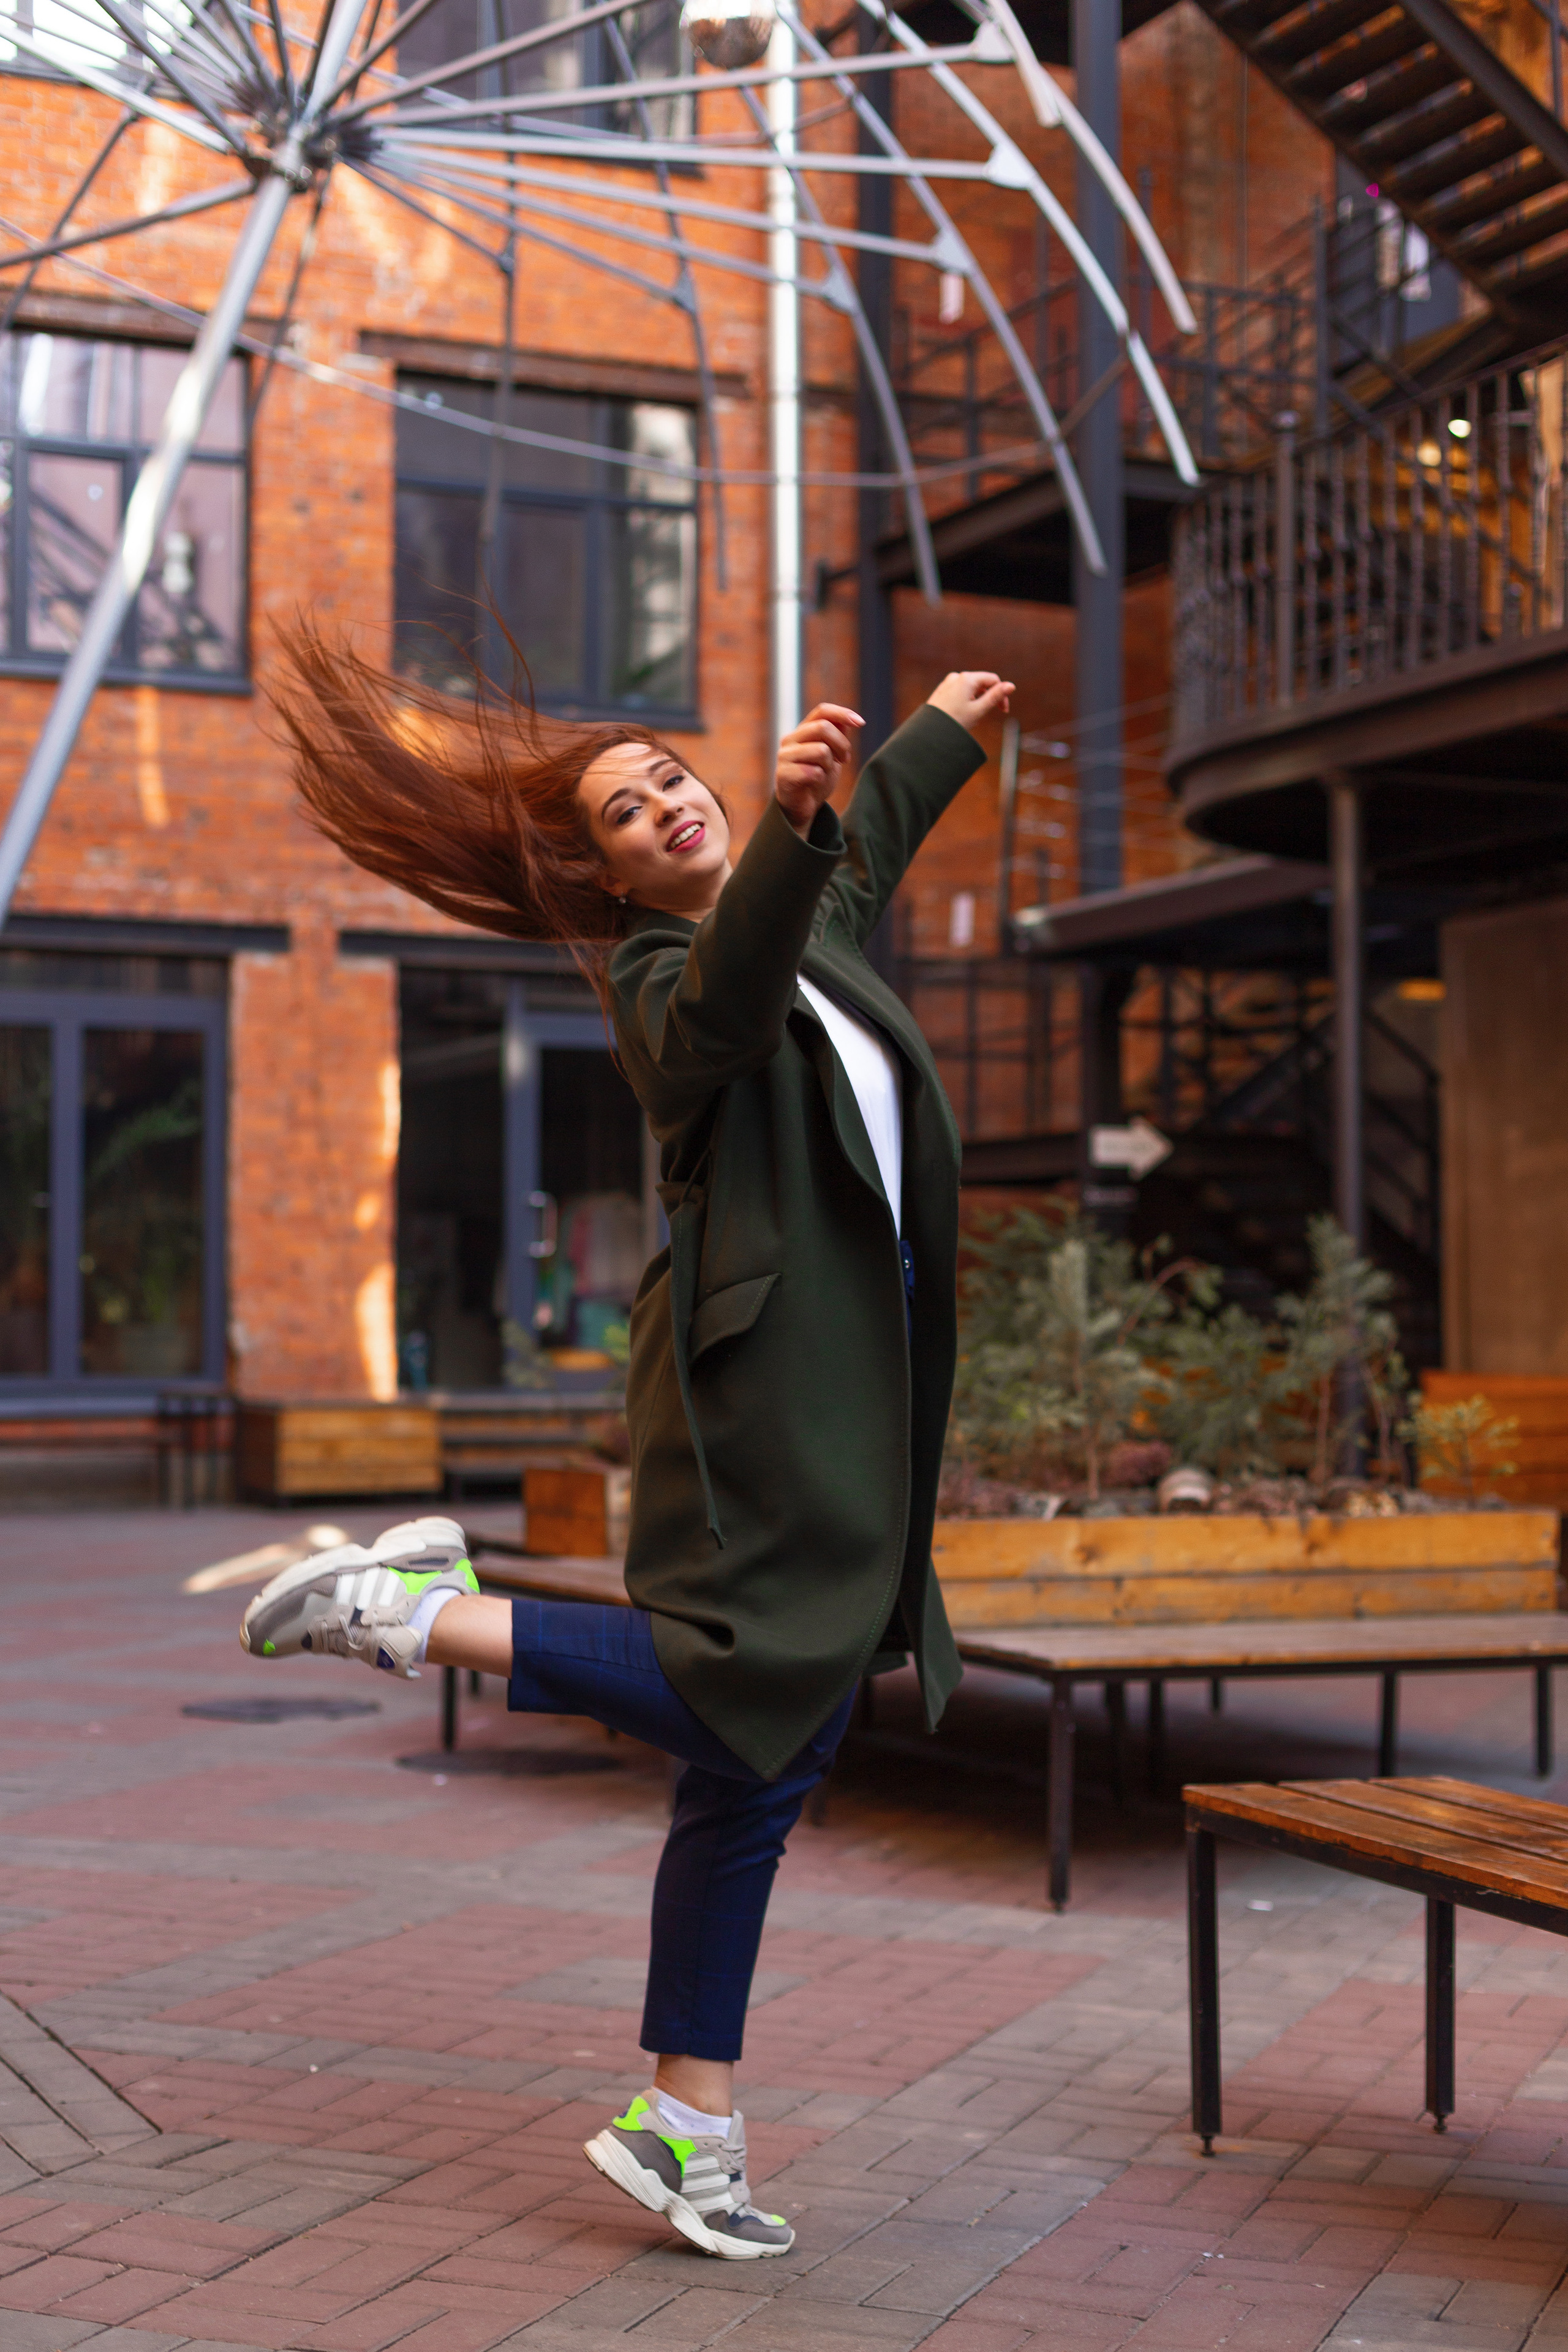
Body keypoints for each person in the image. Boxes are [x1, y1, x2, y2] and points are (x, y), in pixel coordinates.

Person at [239, 636, 1014, 2261]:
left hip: (846, 1387)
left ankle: (689, 2119)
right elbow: (733, 980)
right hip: (766, 1402)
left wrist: (935, 739)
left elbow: (847, 865)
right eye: (623, 810)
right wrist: (796, 824)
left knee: (758, 1765)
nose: (665, 802)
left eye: (674, 777)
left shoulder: (818, 932)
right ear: (603, 878)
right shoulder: (672, 986)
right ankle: (418, 1619)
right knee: (751, 1683)